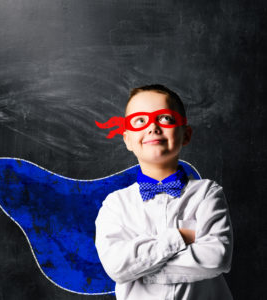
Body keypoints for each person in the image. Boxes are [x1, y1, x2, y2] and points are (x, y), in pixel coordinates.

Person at [94, 84, 233, 300]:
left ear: (185, 134)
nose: (152, 127)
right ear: (128, 139)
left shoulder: (208, 193)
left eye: (165, 118)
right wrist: (180, 237)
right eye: (140, 120)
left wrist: (140, 270)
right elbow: (115, 267)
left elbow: (217, 258)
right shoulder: (115, 205)